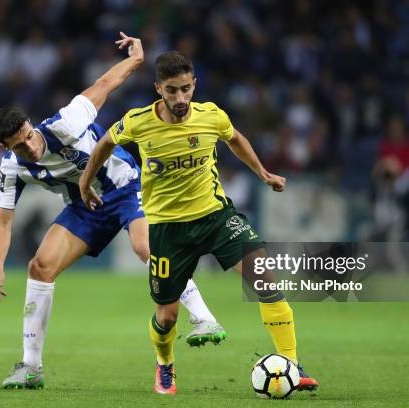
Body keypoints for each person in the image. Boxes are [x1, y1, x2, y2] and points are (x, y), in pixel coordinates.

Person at [0, 35, 224, 390]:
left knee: (145, 248)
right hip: (86, 207)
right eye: (18, 146)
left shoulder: (65, 122)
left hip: (127, 187)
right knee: (40, 266)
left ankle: (205, 319)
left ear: (30, 125)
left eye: (28, 136)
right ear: (5, 147)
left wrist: (136, 60)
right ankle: (30, 367)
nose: (30, 147)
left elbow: (103, 85)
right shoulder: (11, 169)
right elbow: (3, 222)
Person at [79, 51, 319, 395]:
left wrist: (263, 173)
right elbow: (104, 143)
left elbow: (234, 138)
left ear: (195, 85)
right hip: (167, 229)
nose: (180, 98)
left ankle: (292, 364)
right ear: (158, 88)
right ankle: (165, 367)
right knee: (168, 317)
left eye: (186, 89)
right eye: (172, 90)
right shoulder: (138, 121)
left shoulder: (211, 115)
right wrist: (86, 183)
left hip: (215, 217)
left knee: (265, 280)